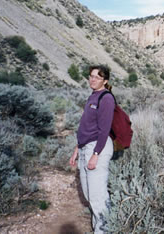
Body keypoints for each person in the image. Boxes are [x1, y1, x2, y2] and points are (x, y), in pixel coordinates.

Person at [69, 65, 115, 234]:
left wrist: (96, 154)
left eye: (97, 76)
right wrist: (77, 149)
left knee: (97, 197)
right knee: (90, 195)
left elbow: (104, 130)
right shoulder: (92, 96)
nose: (92, 79)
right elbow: (85, 126)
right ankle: (100, 228)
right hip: (85, 148)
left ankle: (104, 230)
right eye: (91, 76)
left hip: (98, 148)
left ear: (105, 80)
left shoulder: (106, 98)